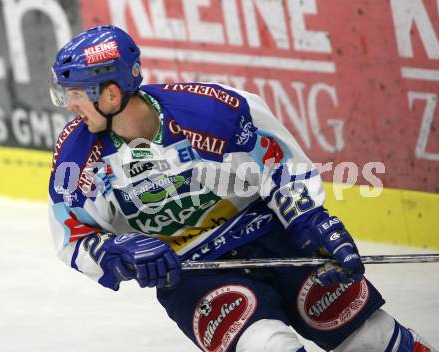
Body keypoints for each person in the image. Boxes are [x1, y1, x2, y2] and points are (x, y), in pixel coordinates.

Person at [48, 25, 436, 352]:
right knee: (269, 347)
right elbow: (72, 236)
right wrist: (120, 251)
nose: (69, 105)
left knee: (372, 336)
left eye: (76, 95)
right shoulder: (76, 154)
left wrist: (310, 221)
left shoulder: (215, 111)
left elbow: (279, 167)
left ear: (111, 94)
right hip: (194, 273)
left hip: (273, 239)